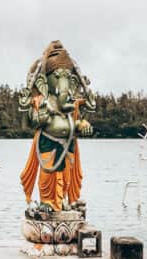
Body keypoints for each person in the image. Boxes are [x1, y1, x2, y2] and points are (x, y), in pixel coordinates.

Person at [18, 41, 95, 212]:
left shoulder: (71, 103)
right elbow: (26, 126)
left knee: (66, 176)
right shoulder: (41, 101)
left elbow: (77, 121)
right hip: (48, 142)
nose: (63, 82)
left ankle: (62, 201)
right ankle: (46, 201)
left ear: (72, 81)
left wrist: (83, 123)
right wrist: (33, 113)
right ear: (45, 81)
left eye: (67, 77)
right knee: (48, 175)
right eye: (58, 77)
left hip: (68, 144)